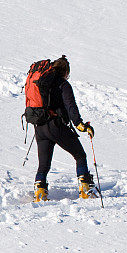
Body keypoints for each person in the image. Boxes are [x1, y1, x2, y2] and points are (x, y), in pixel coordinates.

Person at [33, 55, 97, 202]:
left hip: (39, 127)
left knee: (43, 165)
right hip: (55, 126)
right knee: (80, 155)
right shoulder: (63, 85)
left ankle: (39, 194)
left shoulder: (42, 83)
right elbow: (70, 106)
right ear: (65, 72)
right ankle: (85, 190)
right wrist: (80, 125)